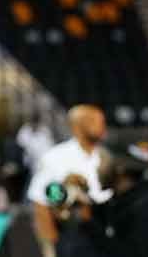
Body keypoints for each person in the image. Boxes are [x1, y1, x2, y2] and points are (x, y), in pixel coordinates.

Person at [27, 105, 109, 251]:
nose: (101, 124)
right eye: (93, 120)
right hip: (71, 237)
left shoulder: (106, 157)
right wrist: (53, 245)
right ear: (76, 126)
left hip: (103, 236)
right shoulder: (56, 157)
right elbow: (40, 204)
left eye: (102, 120)